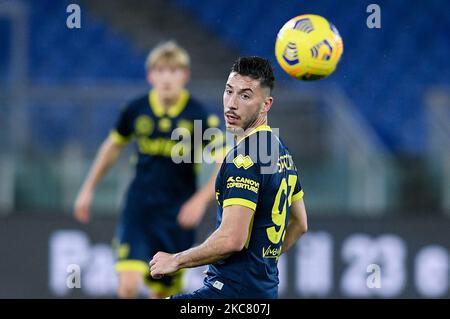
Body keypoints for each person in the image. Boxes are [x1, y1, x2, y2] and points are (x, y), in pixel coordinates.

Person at [149, 56, 308, 299]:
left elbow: (232, 239)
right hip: (262, 292)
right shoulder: (277, 148)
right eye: (228, 91)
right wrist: (260, 263)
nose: (231, 104)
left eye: (245, 96)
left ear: (266, 104)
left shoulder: (244, 158)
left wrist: (175, 260)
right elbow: (300, 224)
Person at [74, 41, 222, 299]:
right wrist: (87, 189)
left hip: (176, 214)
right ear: (150, 75)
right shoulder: (136, 109)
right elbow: (112, 148)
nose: (167, 77)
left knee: (161, 293)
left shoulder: (198, 115)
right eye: (161, 70)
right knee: (128, 285)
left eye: (174, 71)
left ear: (184, 75)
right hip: (139, 208)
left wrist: (199, 201)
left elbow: (224, 162)